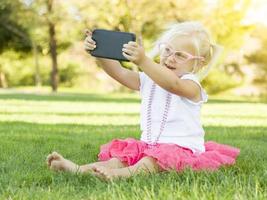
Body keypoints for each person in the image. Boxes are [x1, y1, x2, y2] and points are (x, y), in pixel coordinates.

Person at [47, 21, 240, 181]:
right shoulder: (149, 77)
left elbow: (172, 85)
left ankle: (118, 176)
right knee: (120, 159)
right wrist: (99, 52)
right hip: (149, 145)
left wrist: (143, 61)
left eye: (180, 55)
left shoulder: (191, 84)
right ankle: (78, 169)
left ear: (198, 63)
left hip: (180, 149)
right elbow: (120, 73)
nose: (170, 58)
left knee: (149, 163)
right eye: (167, 51)